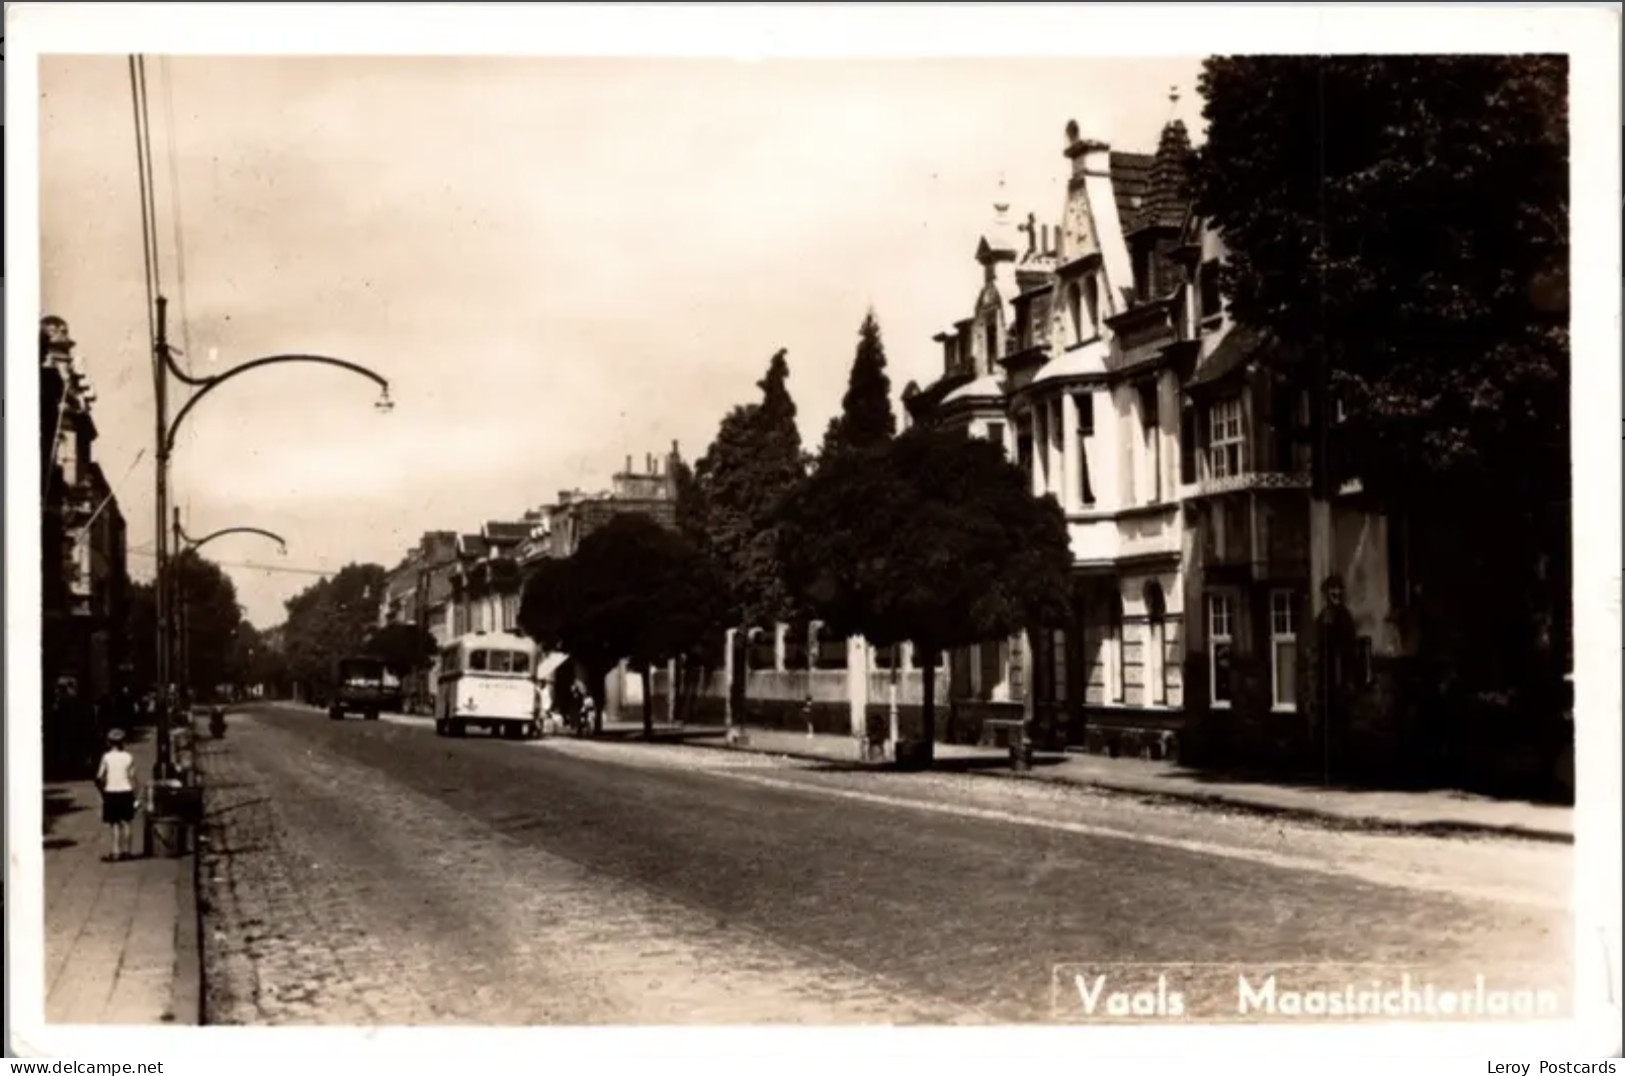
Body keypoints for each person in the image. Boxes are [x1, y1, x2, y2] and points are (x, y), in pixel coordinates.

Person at [95, 729, 139, 862]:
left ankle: (115, 851)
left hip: (111, 791)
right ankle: (127, 851)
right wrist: (135, 795)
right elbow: (132, 777)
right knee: (127, 823)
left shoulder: (106, 757)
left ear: (109, 742)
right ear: (123, 742)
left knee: (114, 824)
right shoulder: (128, 757)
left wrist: (102, 791)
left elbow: (99, 777)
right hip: (126, 791)